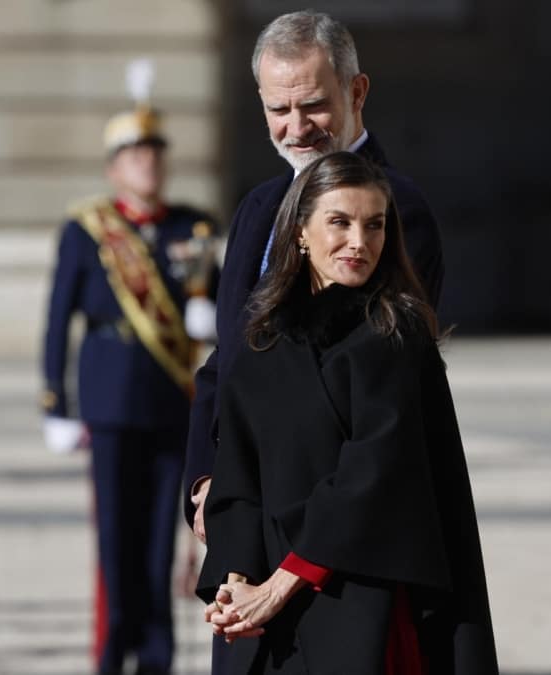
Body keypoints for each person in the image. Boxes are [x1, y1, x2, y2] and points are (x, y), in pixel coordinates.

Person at [196, 151, 497, 674]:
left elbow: (373, 475)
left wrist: (282, 584)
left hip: (362, 598)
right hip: (267, 613)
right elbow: (238, 478)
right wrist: (236, 583)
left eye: (374, 225)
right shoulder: (262, 342)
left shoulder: (395, 334)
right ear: (300, 232)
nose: (359, 242)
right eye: (340, 222)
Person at [183, 6, 444, 549]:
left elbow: (373, 377)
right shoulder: (258, 207)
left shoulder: (396, 209)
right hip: (243, 506)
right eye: (279, 108)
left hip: (330, 519)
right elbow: (226, 356)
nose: (296, 128)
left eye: (314, 105)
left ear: (356, 92)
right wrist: (207, 477)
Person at [40, 59, 220, 675]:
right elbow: (57, 320)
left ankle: (158, 659)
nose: (147, 163)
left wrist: (209, 313)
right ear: (114, 166)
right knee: (115, 542)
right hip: (110, 401)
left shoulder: (191, 226)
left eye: (154, 153)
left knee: (159, 547)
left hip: (174, 401)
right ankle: (112, 652)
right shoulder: (86, 230)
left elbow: (220, 307)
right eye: (135, 154)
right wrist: (55, 404)